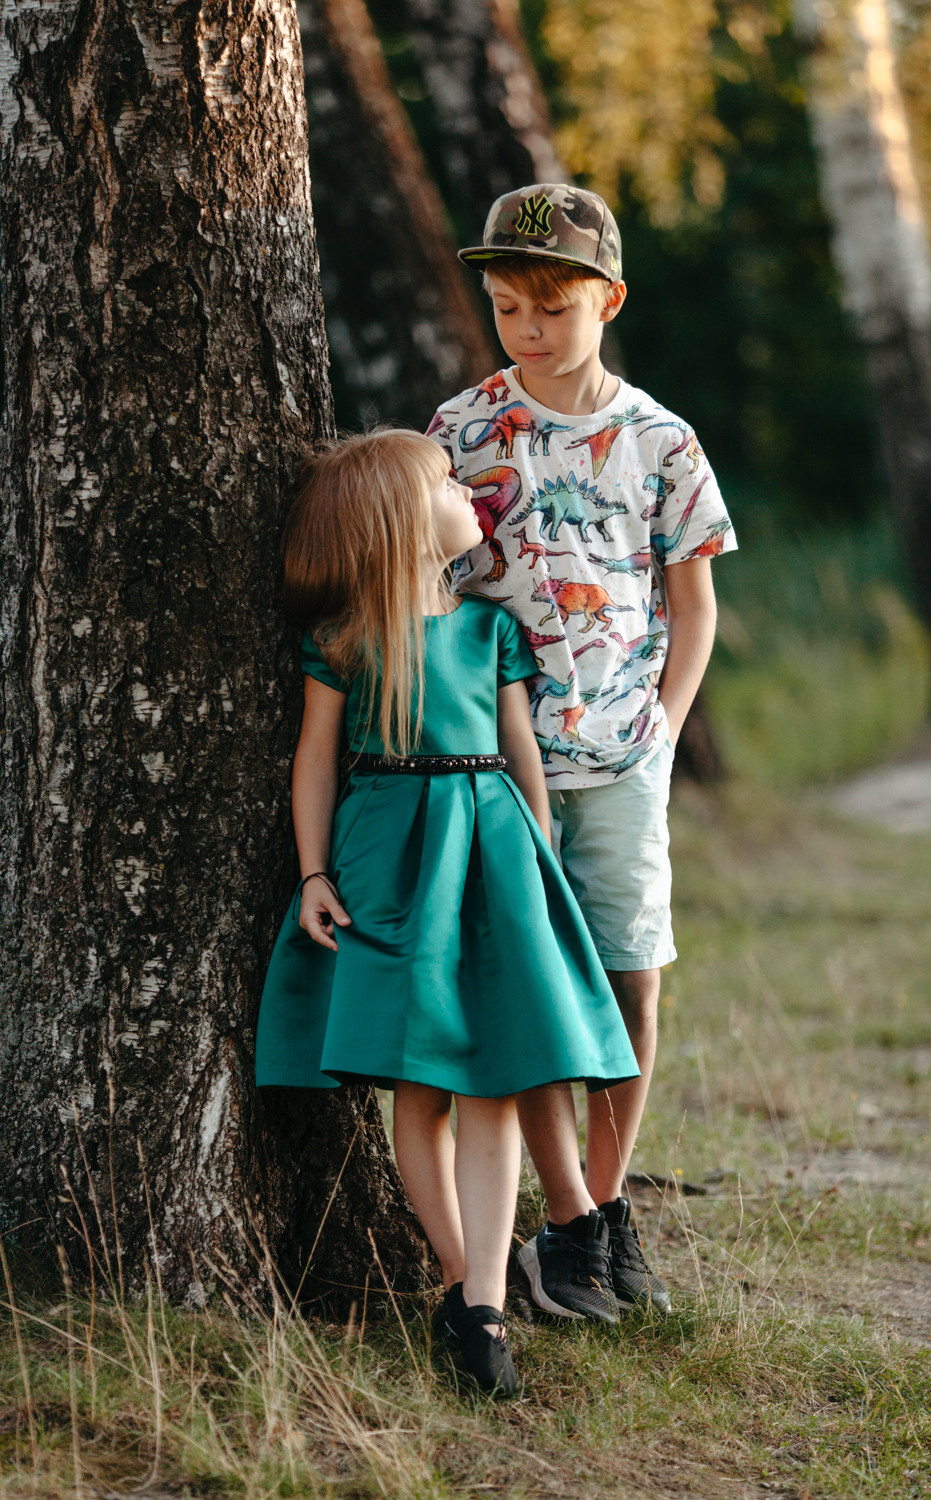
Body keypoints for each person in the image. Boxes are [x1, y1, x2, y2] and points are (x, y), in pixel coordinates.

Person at [254, 429, 639, 1397]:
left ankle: (481, 1302)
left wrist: (538, 868)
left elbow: (519, 757)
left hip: (492, 851)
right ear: (397, 521)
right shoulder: (343, 640)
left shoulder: (487, 629)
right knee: (417, 1088)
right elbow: (314, 760)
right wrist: (311, 874)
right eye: (445, 482)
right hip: (388, 858)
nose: (467, 490)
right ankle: (465, 1281)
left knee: (492, 1080)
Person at [426, 184, 737, 1324]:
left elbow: (691, 599)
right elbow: (433, 586)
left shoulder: (661, 440)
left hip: (620, 753)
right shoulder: (459, 432)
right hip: (496, 767)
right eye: (507, 307)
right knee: (531, 986)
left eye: (552, 307)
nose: (528, 330)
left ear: (608, 298)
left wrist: (664, 712)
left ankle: (604, 1209)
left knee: (629, 975)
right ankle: (560, 1223)